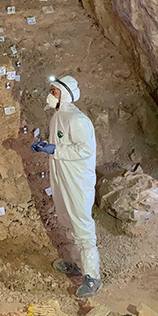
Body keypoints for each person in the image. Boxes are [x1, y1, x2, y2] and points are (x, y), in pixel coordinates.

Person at [31, 76, 101, 297]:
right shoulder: (57, 117)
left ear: (66, 95)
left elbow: (85, 150)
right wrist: (46, 146)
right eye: (50, 91)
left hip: (78, 181)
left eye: (54, 92)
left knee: (81, 225)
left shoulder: (77, 120)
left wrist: (55, 150)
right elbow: (61, 144)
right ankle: (75, 263)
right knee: (66, 220)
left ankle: (92, 277)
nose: (50, 95)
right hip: (62, 178)